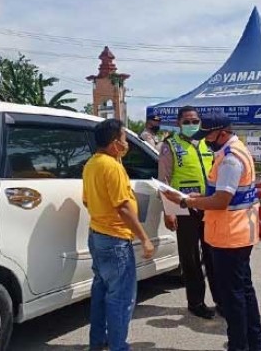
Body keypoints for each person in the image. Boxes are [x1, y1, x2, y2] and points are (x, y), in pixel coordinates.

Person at [164, 111, 261, 351]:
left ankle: (239, 345)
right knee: (243, 291)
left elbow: (221, 200)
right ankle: (252, 343)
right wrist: (201, 197)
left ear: (222, 132)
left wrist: (189, 202)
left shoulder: (230, 158)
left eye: (208, 134)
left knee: (234, 298)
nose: (206, 139)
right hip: (239, 232)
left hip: (230, 235)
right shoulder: (236, 150)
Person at [82, 118, 155, 351]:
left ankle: (97, 342)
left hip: (97, 235)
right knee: (121, 299)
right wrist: (144, 238)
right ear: (115, 143)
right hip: (115, 239)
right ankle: (118, 346)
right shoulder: (112, 167)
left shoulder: (93, 163)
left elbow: (87, 200)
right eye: (124, 139)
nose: (127, 144)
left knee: (101, 291)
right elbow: (122, 207)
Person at [158, 105, 218, 319]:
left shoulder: (207, 143)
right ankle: (196, 302)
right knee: (190, 257)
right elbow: (163, 181)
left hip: (208, 205)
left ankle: (220, 299)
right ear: (178, 123)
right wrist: (169, 211)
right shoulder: (170, 145)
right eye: (187, 121)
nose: (192, 125)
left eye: (195, 121)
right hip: (184, 208)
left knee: (213, 255)